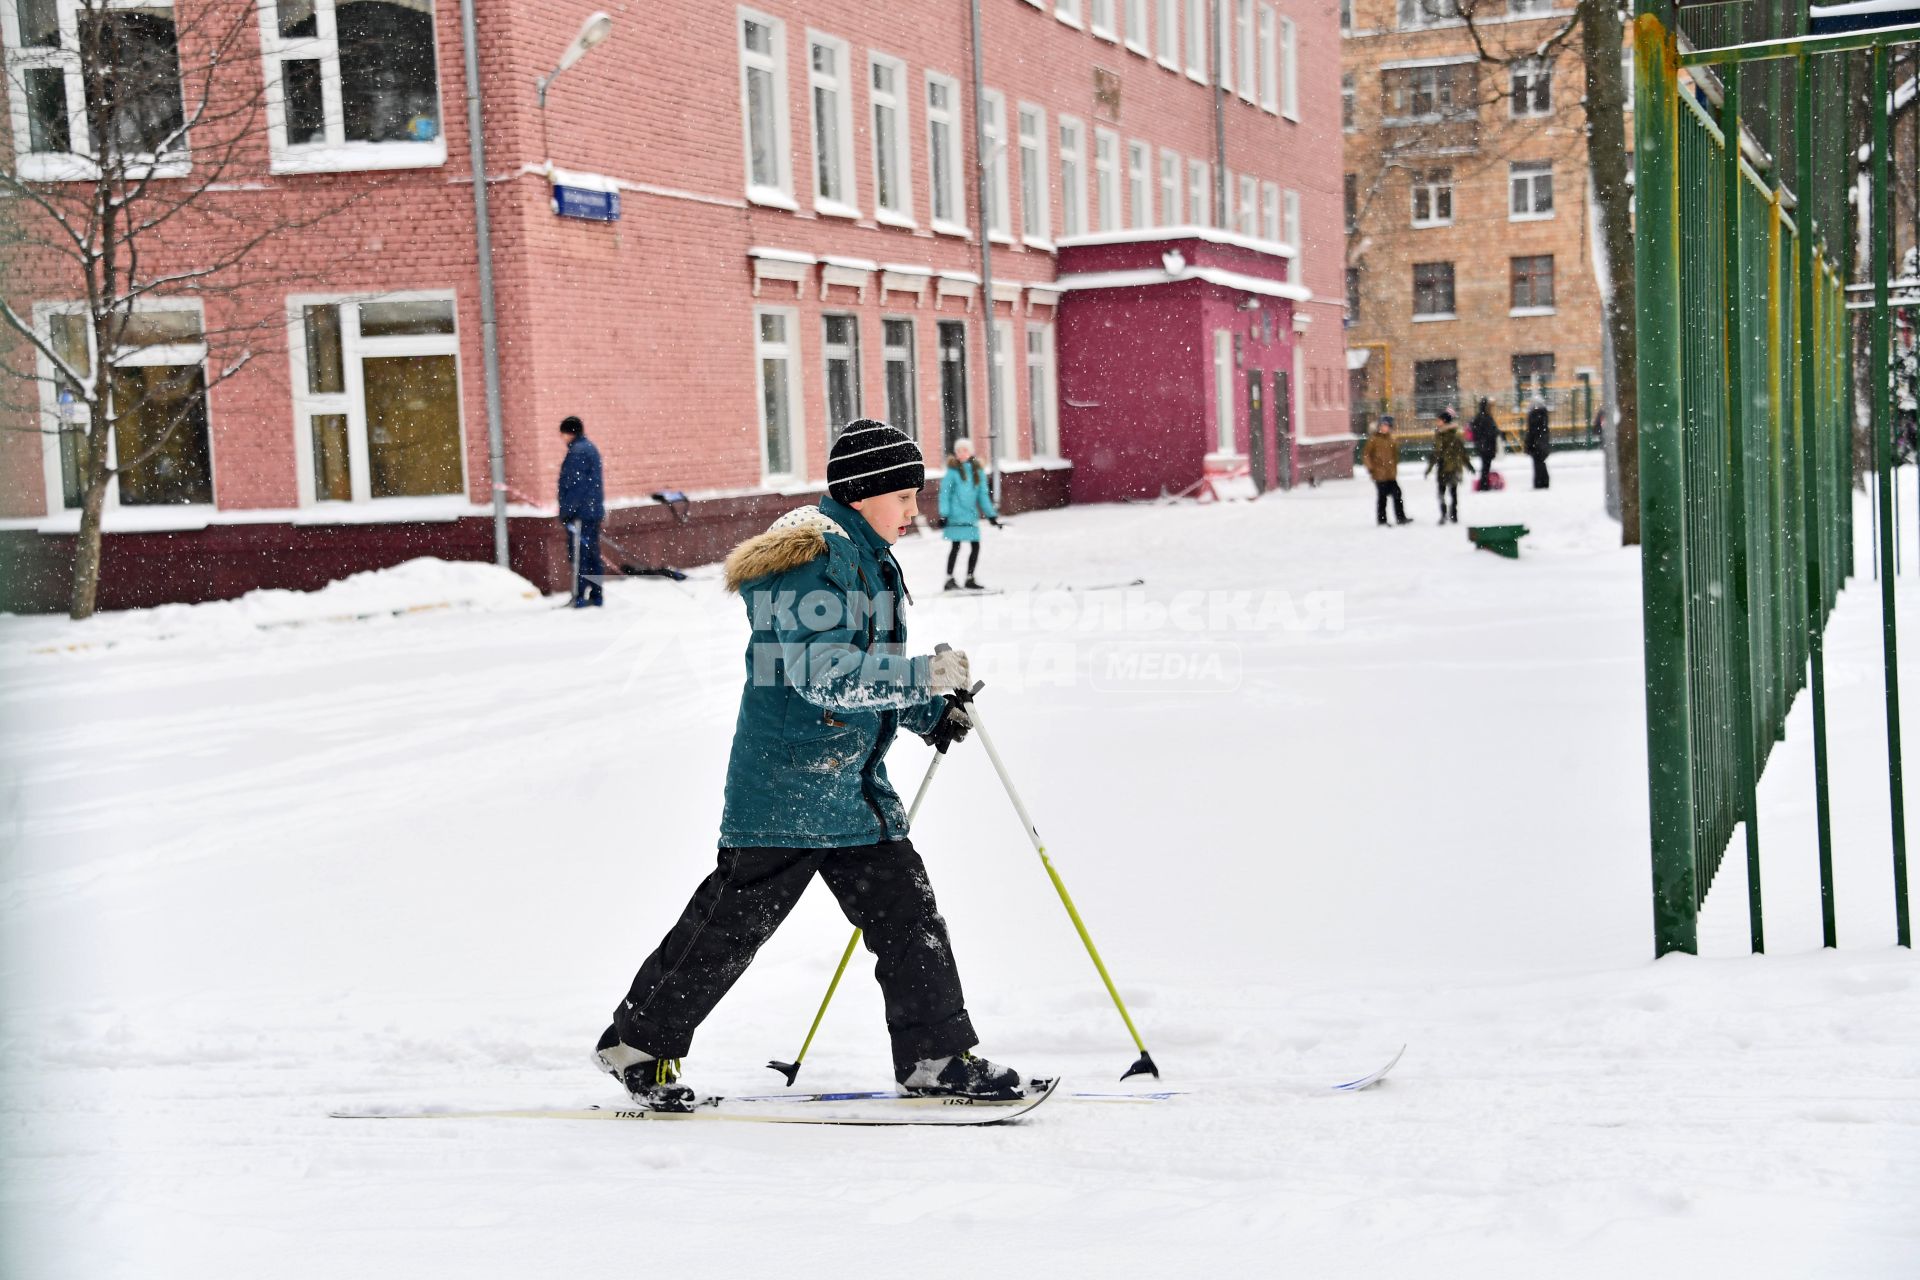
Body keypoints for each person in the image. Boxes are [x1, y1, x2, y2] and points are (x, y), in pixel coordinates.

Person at [593, 419, 1029, 1110]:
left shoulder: (866, 553)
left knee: (908, 916)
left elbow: (861, 676)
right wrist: (921, 675)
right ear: (862, 494)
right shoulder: (814, 560)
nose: (916, 511)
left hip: (850, 790)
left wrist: (927, 713)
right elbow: (821, 676)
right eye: (905, 497)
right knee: (729, 928)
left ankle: (936, 1058)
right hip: (788, 789)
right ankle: (638, 1044)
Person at [939, 437, 1000, 590]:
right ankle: (949, 578)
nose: (961, 453)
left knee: (975, 546)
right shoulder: (952, 472)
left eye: (964, 450)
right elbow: (944, 494)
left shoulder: (977, 472)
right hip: (955, 517)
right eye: (958, 450)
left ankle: (970, 578)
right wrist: (943, 514)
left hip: (970, 517)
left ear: (970, 452)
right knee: (955, 546)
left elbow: (983, 495)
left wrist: (991, 515)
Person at [557, 416, 605, 608]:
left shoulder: (577, 453)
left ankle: (578, 596)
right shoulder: (590, 449)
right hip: (591, 511)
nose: (561, 438)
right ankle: (596, 594)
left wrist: (567, 511)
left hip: (580, 514)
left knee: (579, 556)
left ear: (570, 432)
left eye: (562, 433)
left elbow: (575, 486)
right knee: (592, 553)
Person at [1362, 415, 1412, 527]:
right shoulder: (1374, 439)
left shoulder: (1391, 439)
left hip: (1390, 474)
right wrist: (1371, 468)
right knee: (1382, 497)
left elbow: (1395, 456)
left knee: (1397, 494)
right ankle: (1382, 520)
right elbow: (1366, 455)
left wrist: (1394, 468)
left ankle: (1400, 517)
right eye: (1383, 425)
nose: (1385, 428)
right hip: (1379, 474)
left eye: (1387, 426)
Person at [1425, 409, 1470, 524]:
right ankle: (1451, 515)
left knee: (1444, 492)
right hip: (1450, 468)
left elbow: (1437, 453)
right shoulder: (1450, 435)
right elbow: (1463, 453)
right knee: (1451, 492)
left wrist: (1429, 468)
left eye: (1438, 420)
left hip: (1446, 468)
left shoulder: (1445, 436)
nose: (1437, 422)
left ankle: (1447, 515)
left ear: (1444, 421)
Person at [1469, 398, 1501, 492]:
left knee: (1485, 466)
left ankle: (1484, 484)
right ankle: (1484, 485)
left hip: (1482, 446)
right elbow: (1491, 431)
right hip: (1487, 446)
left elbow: (1476, 432)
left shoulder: (1478, 417)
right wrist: (1498, 433)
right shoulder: (1486, 417)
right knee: (1486, 467)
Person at [1524, 396, 1552, 489]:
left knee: (1538, 463)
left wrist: (1529, 444)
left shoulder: (1534, 415)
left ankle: (1539, 482)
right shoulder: (1543, 414)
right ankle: (1543, 482)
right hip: (1541, 443)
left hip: (1536, 444)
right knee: (1541, 463)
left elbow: (1531, 431)